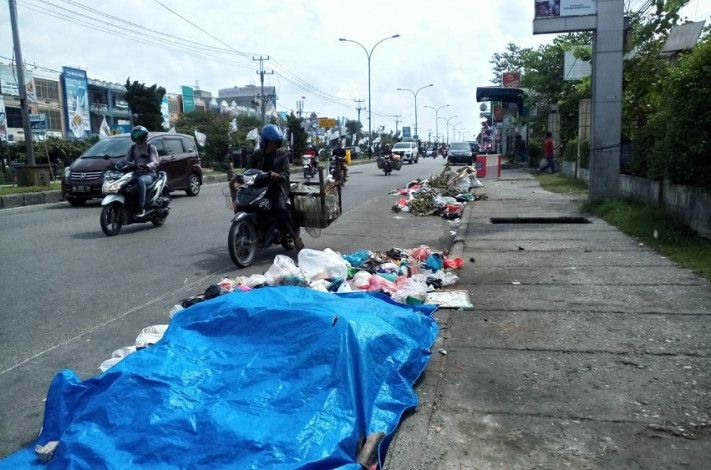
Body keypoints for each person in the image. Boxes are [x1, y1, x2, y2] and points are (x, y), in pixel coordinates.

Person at [247, 124, 304, 251]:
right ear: (265, 142)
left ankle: (295, 237)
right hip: (259, 187)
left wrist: (277, 176)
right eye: (271, 142)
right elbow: (248, 171)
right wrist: (238, 177)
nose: (274, 145)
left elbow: (285, 174)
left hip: (277, 187)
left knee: (281, 209)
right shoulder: (257, 155)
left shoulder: (282, 155)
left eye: (276, 143)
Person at [126, 125, 159, 217]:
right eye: (135, 135)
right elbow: (126, 160)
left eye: (139, 135)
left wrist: (147, 166)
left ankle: (142, 207)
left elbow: (155, 161)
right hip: (136, 173)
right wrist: (116, 165)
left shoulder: (150, 148)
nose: (137, 138)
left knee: (141, 180)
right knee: (124, 183)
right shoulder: (132, 149)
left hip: (149, 174)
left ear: (145, 136)